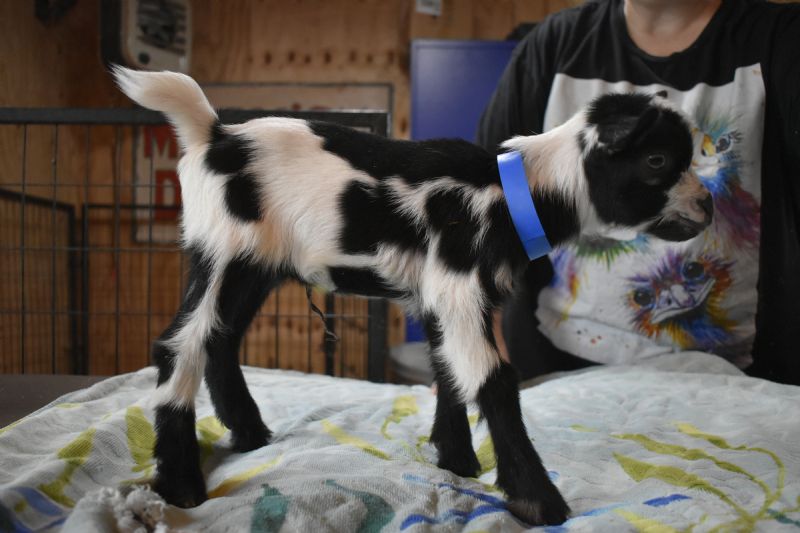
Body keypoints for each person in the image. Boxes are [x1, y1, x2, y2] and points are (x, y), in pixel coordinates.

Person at [477, 0, 800, 385]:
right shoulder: (555, 44)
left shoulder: (782, 41)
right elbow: (485, 203)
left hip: (740, 383)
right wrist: (480, 345)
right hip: (551, 370)